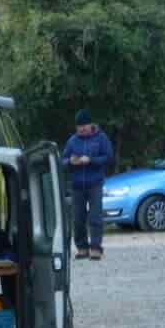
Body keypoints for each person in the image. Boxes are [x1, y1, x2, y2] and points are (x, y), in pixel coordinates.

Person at [61, 108, 113, 261]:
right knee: (78, 219)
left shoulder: (101, 138)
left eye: (85, 125)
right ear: (76, 127)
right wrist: (70, 161)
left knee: (95, 216)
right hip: (77, 185)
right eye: (79, 126)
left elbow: (109, 157)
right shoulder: (72, 141)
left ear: (91, 125)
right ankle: (82, 248)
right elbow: (62, 161)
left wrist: (91, 160)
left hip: (95, 183)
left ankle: (96, 248)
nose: (82, 128)